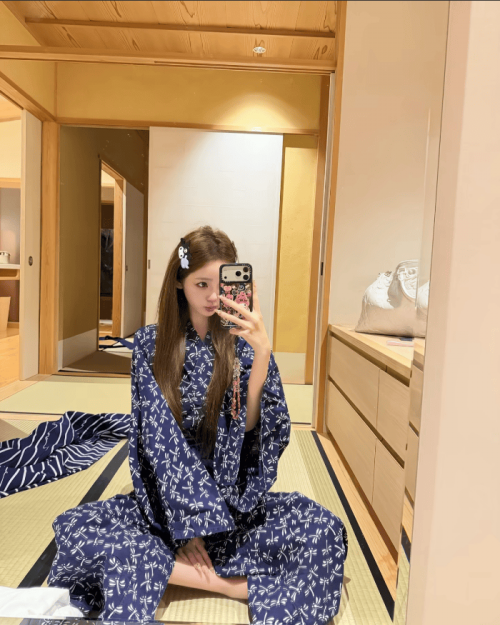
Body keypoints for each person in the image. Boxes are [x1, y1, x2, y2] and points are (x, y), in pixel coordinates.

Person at [48, 225, 348, 623]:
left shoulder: (243, 343)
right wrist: (188, 528)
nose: (212, 297)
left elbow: (254, 434)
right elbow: (156, 441)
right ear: (179, 282)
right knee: (77, 532)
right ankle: (231, 583)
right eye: (201, 284)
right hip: (167, 507)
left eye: (221, 286)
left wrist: (262, 355)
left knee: (324, 532)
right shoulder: (150, 345)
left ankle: (188, 576)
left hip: (232, 502)